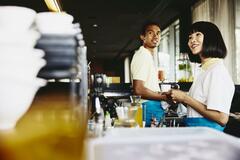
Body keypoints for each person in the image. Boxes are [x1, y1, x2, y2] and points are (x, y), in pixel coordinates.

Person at [169, 21, 235, 131]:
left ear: (211, 38)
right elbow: (198, 108)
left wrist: (185, 98)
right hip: (199, 132)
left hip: (209, 136)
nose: (192, 40)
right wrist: (180, 98)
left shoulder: (217, 71)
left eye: (198, 34)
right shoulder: (205, 70)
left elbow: (222, 118)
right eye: (190, 37)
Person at [130, 21, 169, 127]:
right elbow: (138, 89)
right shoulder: (142, 55)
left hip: (152, 106)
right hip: (148, 107)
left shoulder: (148, 56)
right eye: (151, 33)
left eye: (158, 33)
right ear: (143, 37)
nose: (156, 36)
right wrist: (165, 97)